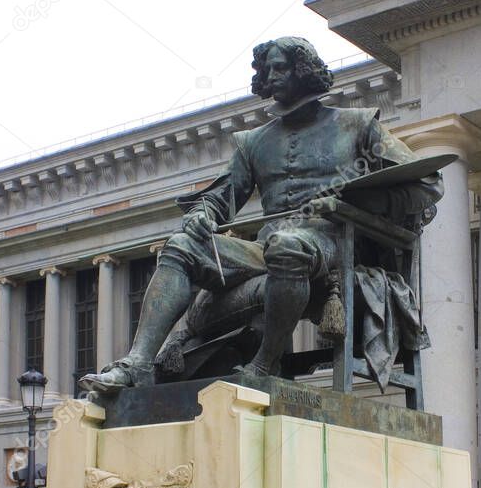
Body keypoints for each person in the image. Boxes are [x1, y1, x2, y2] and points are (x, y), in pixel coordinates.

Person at [80, 36, 442, 392]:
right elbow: (222, 198)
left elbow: (428, 182)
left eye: (280, 67)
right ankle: (137, 364)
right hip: (267, 247)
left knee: (287, 245)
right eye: (266, 69)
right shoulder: (252, 141)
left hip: (335, 242)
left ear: (304, 70)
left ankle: (263, 365)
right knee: (181, 245)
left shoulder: (358, 124)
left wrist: (358, 204)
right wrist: (203, 214)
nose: (271, 76)